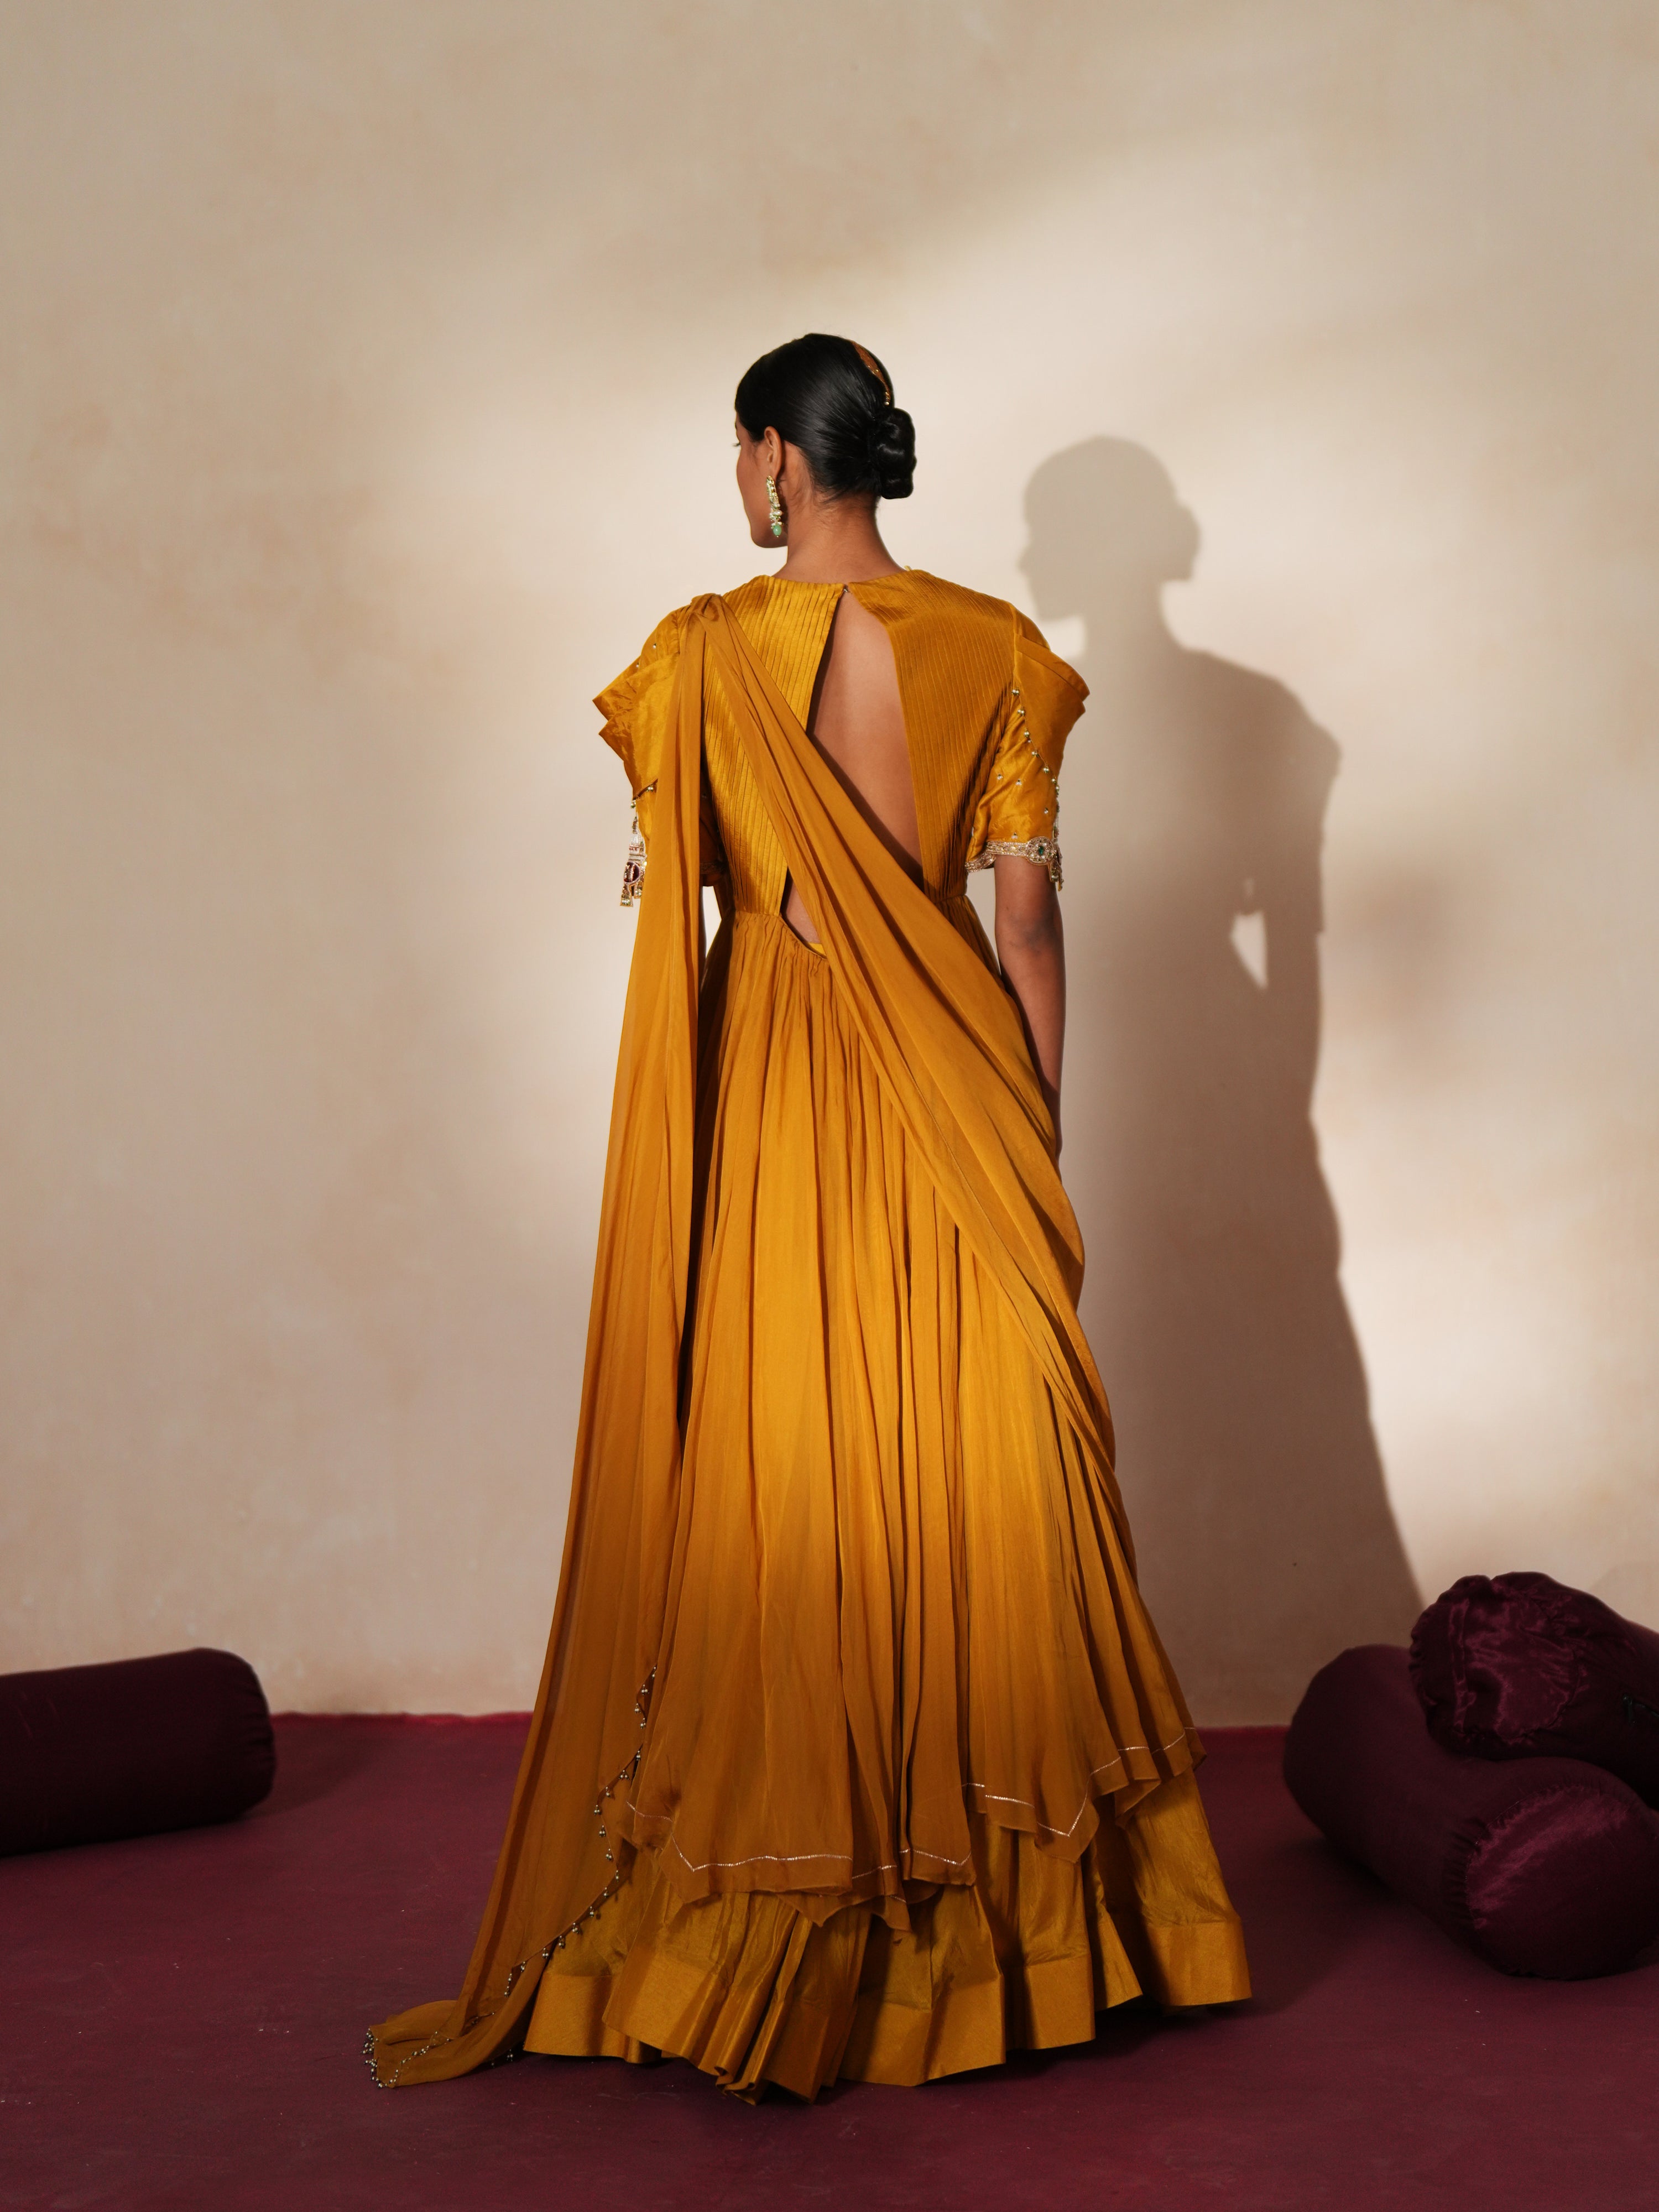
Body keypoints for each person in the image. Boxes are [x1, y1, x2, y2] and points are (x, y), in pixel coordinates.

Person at [367, 335, 1250, 2103]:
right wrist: (1032, 1137)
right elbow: (1031, 929)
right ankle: (1022, 1944)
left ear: (777, 459)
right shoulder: (1004, 659)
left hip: (776, 1093)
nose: (740, 480)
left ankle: (783, 1918)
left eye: (741, 453)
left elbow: (692, 884)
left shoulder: (697, 662)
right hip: (964, 1101)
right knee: (976, 1477)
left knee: (788, 1475)